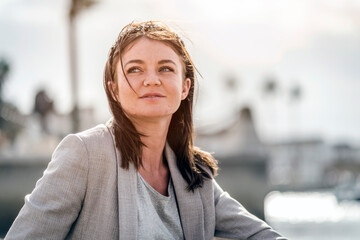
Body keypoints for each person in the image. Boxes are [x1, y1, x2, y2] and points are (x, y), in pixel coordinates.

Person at [5, 21, 287, 240]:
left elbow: (261, 235)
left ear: (185, 87)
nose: (151, 80)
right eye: (135, 70)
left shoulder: (196, 175)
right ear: (113, 89)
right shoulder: (83, 154)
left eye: (165, 69)